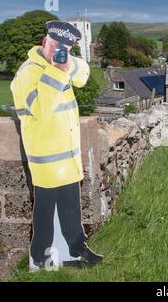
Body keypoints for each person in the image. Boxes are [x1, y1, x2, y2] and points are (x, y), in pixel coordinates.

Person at [10, 21, 103, 271]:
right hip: (47, 160)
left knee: (71, 208)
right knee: (45, 211)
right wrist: (55, 71)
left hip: (68, 158)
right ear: (43, 43)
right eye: (55, 47)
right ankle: (39, 257)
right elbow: (39, 110)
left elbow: (82, 77)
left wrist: (67, 64)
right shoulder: (27, 73)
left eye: (66, 49)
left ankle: (77, 249)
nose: (59, 53)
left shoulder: (61, 63)